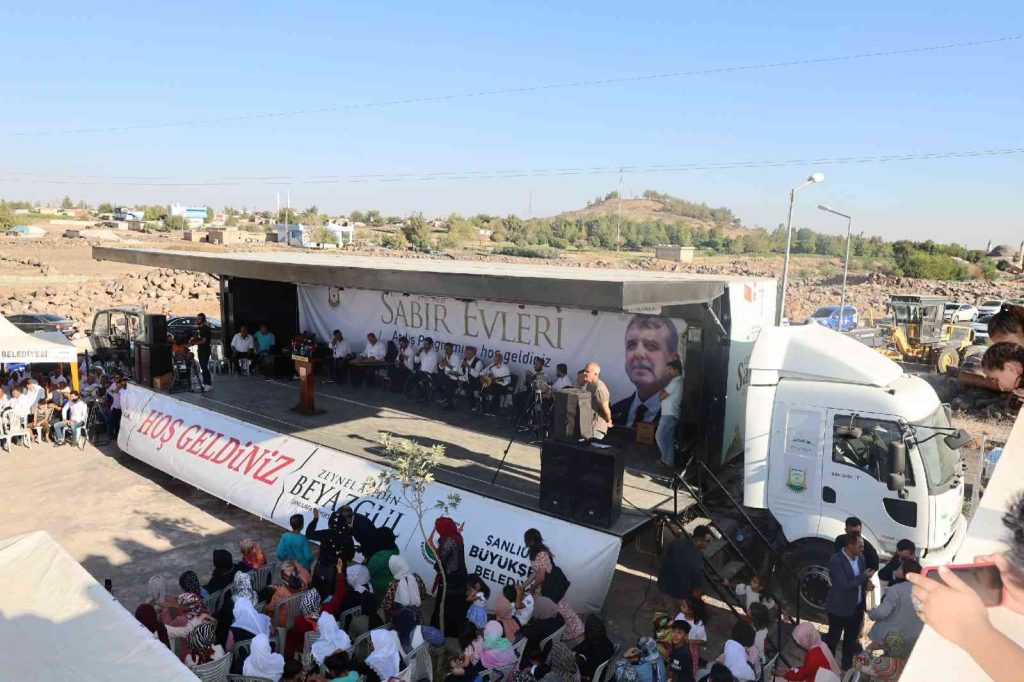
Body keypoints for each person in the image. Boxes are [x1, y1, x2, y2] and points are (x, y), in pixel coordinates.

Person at [612, 315, 683, 427]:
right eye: (631, 345)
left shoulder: (686, 420)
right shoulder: (615, 412)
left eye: (651, 346)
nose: (639, 354)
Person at [824, 534, 875, 670]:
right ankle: (828, 666)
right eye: (860, 546)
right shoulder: (836, 561)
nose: (863, 549)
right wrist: (864, 576)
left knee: (850, 641)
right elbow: (844, 585)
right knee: (833, 640)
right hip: (839, 609)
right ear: (850, 546)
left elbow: (860, 580)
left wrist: (867, 583)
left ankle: (846, 666)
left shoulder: (861, 558)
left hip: (856, 608)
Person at [525, 528, 584, 640]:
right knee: (557, 609)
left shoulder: (541, 554)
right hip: (544, 589)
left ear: (530, 541)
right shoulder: (538, 551)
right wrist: (524, 585)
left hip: (547, 589)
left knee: (559, 610)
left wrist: (532, 588)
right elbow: (535, 572)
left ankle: (574, 631)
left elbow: (541, 577)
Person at [867, 559, 924, 651]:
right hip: (914, 638)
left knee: (870, 649)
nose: (897, 570)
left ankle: (861, 664)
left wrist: (871, 613)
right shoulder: (926, 591)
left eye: (899, 568)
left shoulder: (896, 590)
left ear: (903, 573)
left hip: (891, 636)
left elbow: (882, 613)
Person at [307, 507, 356, 598]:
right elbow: (350, 555)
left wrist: (315, 519)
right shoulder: (347, 537)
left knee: (316, 594)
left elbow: (309, 534)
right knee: (334, 598)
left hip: (321, 571)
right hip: (337, 573)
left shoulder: (326, 533)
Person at [657, 526, 710, 606]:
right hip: (681, 595)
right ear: (699, 540)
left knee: (670, 612)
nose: (709, 543)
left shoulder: (676, 543)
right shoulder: (697, 560)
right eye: (707, 541)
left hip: (665, 588)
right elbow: (697, 586)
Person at [771, 622, 841, 681]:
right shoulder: (820, 644)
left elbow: (802, 676)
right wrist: (792, 670)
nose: (797, 643)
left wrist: (784, 674)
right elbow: (807, 669)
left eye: (799, 641)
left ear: (806, 639)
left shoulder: (813, 656)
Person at [380, 554, 428, 621]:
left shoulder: (394, 584)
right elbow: (423, 595)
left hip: (399, 620)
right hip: (416, 616)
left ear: (393, 567)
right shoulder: (416, 577)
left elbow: (386, 605)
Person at [266, 559, 312, 626]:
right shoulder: (304, 583)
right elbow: (306, 575)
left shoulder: (279, 593)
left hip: (284, 623)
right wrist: (296, 565)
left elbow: (270, 609)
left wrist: (265, 608)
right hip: (299, 617)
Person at [656, 360, 684, 468]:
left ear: (676, 370)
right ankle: (668, 461)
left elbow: (661, 396)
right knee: (667, 438)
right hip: (672, 413)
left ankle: (665, 460)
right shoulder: (680, 381)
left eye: (670, 370)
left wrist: (663, 390)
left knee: (659, 436)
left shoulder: (675, 382)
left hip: (669, 414)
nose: (669, 372)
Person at [674, 597, 707, 680]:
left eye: (684, 606)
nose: (681, 606)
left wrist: (690, 641)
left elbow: (704, 641)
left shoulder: (698, 624)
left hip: (690, 649)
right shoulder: (680, 615)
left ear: (691, 611)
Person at [575, 615, 615, 682]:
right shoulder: (608, 643)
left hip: (590, 674)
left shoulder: (592, 651)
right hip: (599, 670)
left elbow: (584, 669)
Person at [582, 362, 612, 440]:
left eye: (588, 371)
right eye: (585, 371)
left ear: (595, 374)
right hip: (588, 426)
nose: (585, 373)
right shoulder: (589, 385)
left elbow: (606, 410)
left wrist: (609, 421)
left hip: (596, 429)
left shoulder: (599, 389)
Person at [367, 527, 400, 595]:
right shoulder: (395, 550)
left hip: (381, 588)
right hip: (394, 584)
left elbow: (370, 572)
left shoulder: (377, 559)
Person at [191, 312, 214, 391]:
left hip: (205, 350)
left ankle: (209, 384)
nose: (197, 320)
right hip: (200, 349)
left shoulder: (205, 329)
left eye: (199, 319)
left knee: (204, 367)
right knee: (202, 367)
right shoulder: (199, 329)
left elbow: (204, 341)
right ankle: (204, 383)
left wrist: (193, 343)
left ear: (203, 320)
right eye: (197, 318)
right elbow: (198, 338)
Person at [436, 342, 462, 408]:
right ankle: (444, 396)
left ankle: (450, 404)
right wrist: (441, 364)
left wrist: (447, 364)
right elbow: (441, 367)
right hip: (447, 373)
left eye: (448, 349)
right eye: (445, 349)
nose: (446, 351)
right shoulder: (445, 355)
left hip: (456, 375)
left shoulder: (456, 357)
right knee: (436, 382)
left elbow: (456, 370)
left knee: (448, 383)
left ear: (451, 349)